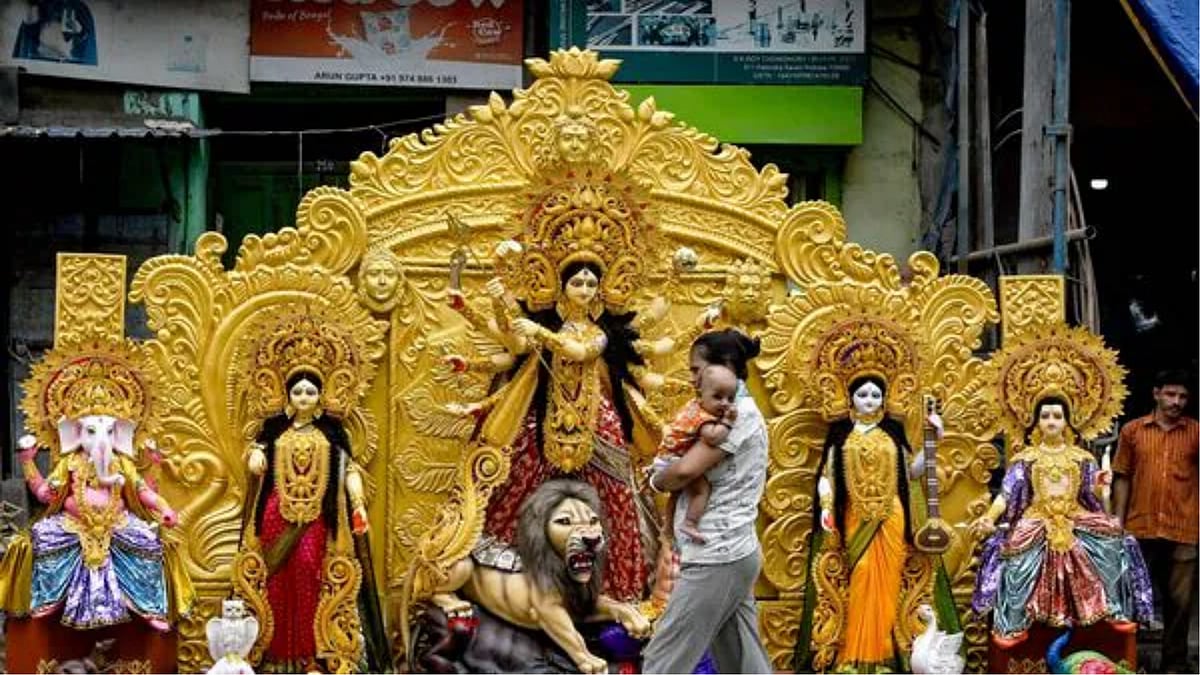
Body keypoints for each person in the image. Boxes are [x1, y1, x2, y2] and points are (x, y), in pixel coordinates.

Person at [452, 260, 666, 603]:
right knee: (518, 478)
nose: (584, 290)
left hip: (597, 418)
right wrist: (497, 299)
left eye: (590, 285)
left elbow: (580, 352)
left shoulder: (599, 332)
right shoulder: (546, 325)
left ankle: (620, 586)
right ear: (562, 286)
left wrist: (540, 333)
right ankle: (508, 575)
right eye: (577, 283)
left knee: (617, 493)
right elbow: (515, 341)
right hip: (548, 415)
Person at [794, 373, 952, 672]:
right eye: (863, 394)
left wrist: (935, 439)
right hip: (855, 516)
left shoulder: (893, 431)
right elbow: (826, 476)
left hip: (891, 516)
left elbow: (913, 472)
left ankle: (884, 657)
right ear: (850, 397)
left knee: (890, 583)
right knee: (862, 575)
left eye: (876, 395)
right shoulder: (840, 433)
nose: (869, 401)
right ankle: (852, 657)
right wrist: (826, 508)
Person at [972, 396, 1153, 647]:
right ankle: (1012, 623)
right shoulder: (1026, 459)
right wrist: (989, 516)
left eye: (1057, 416)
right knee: (1017, 561)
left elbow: (1096, 499)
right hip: (1037, 518)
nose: (1051, 421)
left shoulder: (1082, 459)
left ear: (1067, 421)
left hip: (1075, 515)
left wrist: (1104, 488)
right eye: (1045, 416)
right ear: (1036, 423)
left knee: (1112, 542)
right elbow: (1006, 494)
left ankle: (1114, 609)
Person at [642, 329, 773, 674]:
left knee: (664, 659)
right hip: (732, 551)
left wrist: (656, 478)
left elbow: (684, 472)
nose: (692, 377)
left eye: (696, 369)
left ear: (724, 367)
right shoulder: (722, 409)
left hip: (718, 553)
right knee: (742, 660)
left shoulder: (735, 414)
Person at [242, 370, 388, 672]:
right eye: (298, 392)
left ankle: (312, 656)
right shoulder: (274, 428)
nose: (304, 398)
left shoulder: (333, 431)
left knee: (310, 573)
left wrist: (358, 505)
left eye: (310, 392)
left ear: (320, 396)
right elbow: (256, 453)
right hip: (275, 514)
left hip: (317, 515)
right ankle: (275, 656)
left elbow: (349, 470)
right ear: (288, 396)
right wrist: (255, 456)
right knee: (276, 581)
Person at [1113, 369, 1199, 672]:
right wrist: (1118, 522)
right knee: (1133, 596)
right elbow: (1122, 476)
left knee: (1180, 602)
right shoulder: (1133, 431)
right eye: (1171, 394)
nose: (1177, 402)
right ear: (1156, 393)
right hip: (1140, 527)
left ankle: (1174, 663)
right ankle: (1128, 659)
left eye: (1183, 396)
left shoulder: (1196, 432)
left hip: (1184, 527)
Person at [653, 363, 739, 544]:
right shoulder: (704, 418)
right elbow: (713, 438)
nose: (725, 403)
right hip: (673, 461)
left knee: (676, 494)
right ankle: (690, 523)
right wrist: (728, 422)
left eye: (730, 398)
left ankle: (668, 527)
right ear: (700, 394)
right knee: (702, 490)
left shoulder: (693, 406)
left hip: (665, 457)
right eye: (718, 397)